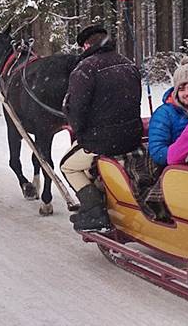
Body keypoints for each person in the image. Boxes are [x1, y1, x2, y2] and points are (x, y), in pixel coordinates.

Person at [61, 25, 143, 231]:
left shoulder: (85, 69)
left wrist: (80, 134)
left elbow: (77, 110)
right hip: (132, 136)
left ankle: (95, 211)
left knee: (67, 166)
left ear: (87, 45)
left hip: (103, 141)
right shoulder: (129, 64)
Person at [148, 57, 188, 167]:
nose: (187, 93)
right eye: (181, 89)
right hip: (176, 170)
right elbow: (157, 151)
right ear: (175, 91)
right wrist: (186, 154)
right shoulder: (164, 114)